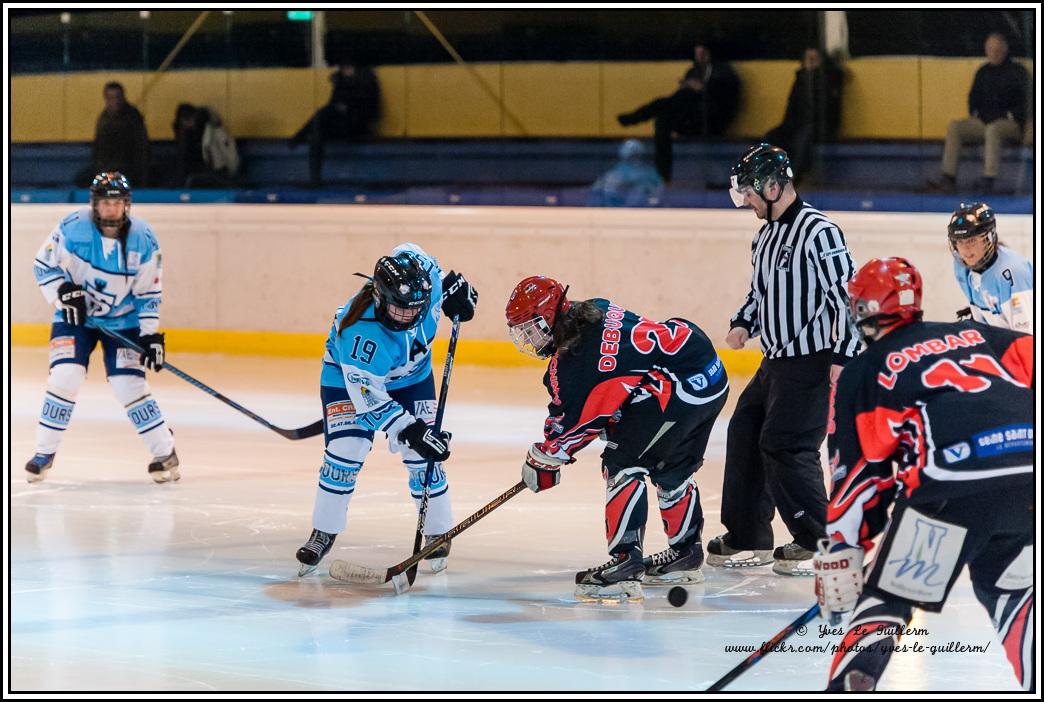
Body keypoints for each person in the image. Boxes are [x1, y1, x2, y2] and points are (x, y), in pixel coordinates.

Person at [814, 257, 1033, 692]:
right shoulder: (979, 334)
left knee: (887, 599)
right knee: (1019, 595)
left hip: (948, 492)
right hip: (1030, 482)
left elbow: (861, 473)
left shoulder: (867, 367)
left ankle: (850, 684)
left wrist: (845, 547)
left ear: (862, 310)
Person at [505, 276, 729, 602]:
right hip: (709, 375)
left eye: (532, 328)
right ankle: (685, 553)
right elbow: (620, 381)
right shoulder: (595, 308)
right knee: (672, 468)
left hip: (677, 390)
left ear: (548, 315)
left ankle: (626, 563)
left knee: (623, 462)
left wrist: (544, 458)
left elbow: (578, 422)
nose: (529, 339)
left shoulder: (575, 362)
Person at [709, 143, 860, 576]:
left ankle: (820, 538)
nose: (747, 203)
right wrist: (743, 322)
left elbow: (848, 298)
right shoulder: (765, 235)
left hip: (810, 361)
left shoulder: (819, 231)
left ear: (773, 186)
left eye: (751, 193)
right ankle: (748, 536)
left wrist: (845, 355)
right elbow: (761, 293)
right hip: (773, 361)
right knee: (744, 433)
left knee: (786, 446)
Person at [295, 244, 478, 576]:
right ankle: (324, 529)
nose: (408, 317)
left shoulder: (424, 283)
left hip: (413, 379)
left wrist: (455, 287)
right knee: (346, 450)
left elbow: (423, 261)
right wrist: (409, 429)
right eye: (399, 309)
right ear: (380, 297)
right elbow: (369, 401)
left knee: (425, 456)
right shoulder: (360, 336)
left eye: (415, 310)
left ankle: (437, 530)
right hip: (346, 381)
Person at [26, 172, 178, 483]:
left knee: (128, 385)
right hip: (74, 319)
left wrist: (149, 336)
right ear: (95, 204)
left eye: (118, 203)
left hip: (123, 321)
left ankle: (166, 453)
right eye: (106, 202)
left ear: (127, 205)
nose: (112, 209)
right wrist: (63, 292)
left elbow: (149, 292)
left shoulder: (144, 239)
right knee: (65, 375)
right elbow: (43, 265)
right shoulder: (72, 227)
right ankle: (44, 452)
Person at [617, 43, 741, 182]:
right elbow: (680, 98)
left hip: (709, 119)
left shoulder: (721, 72)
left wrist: (702, 89)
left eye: (702, 54)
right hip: (688, 116)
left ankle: (638, 117)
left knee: (668, 102)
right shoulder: (693, 71)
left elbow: (725, 100)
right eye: (697, 54)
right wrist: (688, 86)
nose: (699, 57)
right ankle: (663, 175)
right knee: (663, 119)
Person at [927, 33, 1029, 194]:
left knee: (993, 129)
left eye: (997, 49)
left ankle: (989, 178)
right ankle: (948, 177)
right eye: (990, 49)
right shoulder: (983, 72)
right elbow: (973, 98)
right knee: (956, 127)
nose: (993, 52)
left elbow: (1027, 103)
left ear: (1005, 49)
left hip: (1010, 124)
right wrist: (976, 113)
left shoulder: (1018, 72)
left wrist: (1008, 115)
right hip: (984, 120)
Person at [290, 62, 381, 188]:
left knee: (322, 114)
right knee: (318, 132)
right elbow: (334, 104)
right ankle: (315, 180)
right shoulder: (341, 81)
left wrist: (349, 108)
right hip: (341, 123)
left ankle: (300, 135)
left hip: (357, 125)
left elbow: (371, 111)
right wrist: (339, 107)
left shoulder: (367, 81)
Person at [947, 201, 1033, 333]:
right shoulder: (962, 267)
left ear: (988, 238)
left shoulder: (1012, 273)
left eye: (972, 240)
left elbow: (1028, 338)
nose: (965, 249)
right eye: (960, 241)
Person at [764, 47, 842, 184]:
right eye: (808, 58)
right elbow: (791, 106)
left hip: (820, 126)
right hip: (797, 124)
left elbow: (828, 108)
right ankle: (767, 173)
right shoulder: (800, 80)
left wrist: (815, 75)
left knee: (804, 137)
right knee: (772, 136)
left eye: (815, 58)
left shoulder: (828, 80)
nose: (811, 61)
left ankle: (794, 176)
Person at [77, 82, 150, 188]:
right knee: (81, 180)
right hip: (104, 168)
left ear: (123, 97)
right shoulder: (103, 118)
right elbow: (97, 147)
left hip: (127, 168)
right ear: (105, 98)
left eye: (118, 97)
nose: (115, 101)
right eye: (111, 97)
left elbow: (140, 150)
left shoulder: (133, 117)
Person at [587, 139, 664, 207]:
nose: (634, 159)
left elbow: (658, 192)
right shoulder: (614, 172)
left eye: (636, 155)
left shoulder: (649, 172)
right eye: (632, 156)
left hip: (643, 213)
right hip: (616, 213)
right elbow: (598, 194)